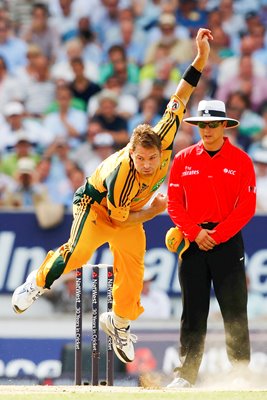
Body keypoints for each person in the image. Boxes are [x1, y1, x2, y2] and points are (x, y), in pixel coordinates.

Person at [12, 28, 213, 366]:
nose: (148, 165)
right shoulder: (122, 175)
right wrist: (155, 210)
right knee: (78, 254)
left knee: (133, 269)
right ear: (131, 153)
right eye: (141, 159)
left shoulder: (164, 135)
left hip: (130, 210)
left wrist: (201, 57)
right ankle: (36, 282)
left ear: (159, 148)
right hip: (98, 206)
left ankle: (119, 323)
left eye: (152, 158)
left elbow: (182, 93)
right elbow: (126, 219)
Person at [166, 99, 256, 388]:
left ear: (224, 126)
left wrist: (216, 235)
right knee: (192, 310)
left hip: (226, 242)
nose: (207, 130)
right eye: (202, 124)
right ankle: (186, 375)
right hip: (192, 242)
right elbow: (174, 204)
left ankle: (240, 372)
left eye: (212, 124)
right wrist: (194, 232)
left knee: (234, 309)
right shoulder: (183, 159)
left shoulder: (241, 160)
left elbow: (247, 206)